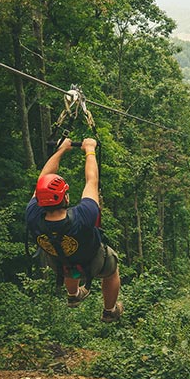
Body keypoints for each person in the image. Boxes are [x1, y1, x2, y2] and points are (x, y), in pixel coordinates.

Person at [25, 137, 123, 322]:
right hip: (94, 262)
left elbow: (42, 179)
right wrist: (90, 150)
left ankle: (73, 294)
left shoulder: (32, 215)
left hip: (61, 265)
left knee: (67, 261)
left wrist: (60, 150)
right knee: (112, 268)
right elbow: (91, 181)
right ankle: (110, 310)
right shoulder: (83, 216)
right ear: (66, 198)